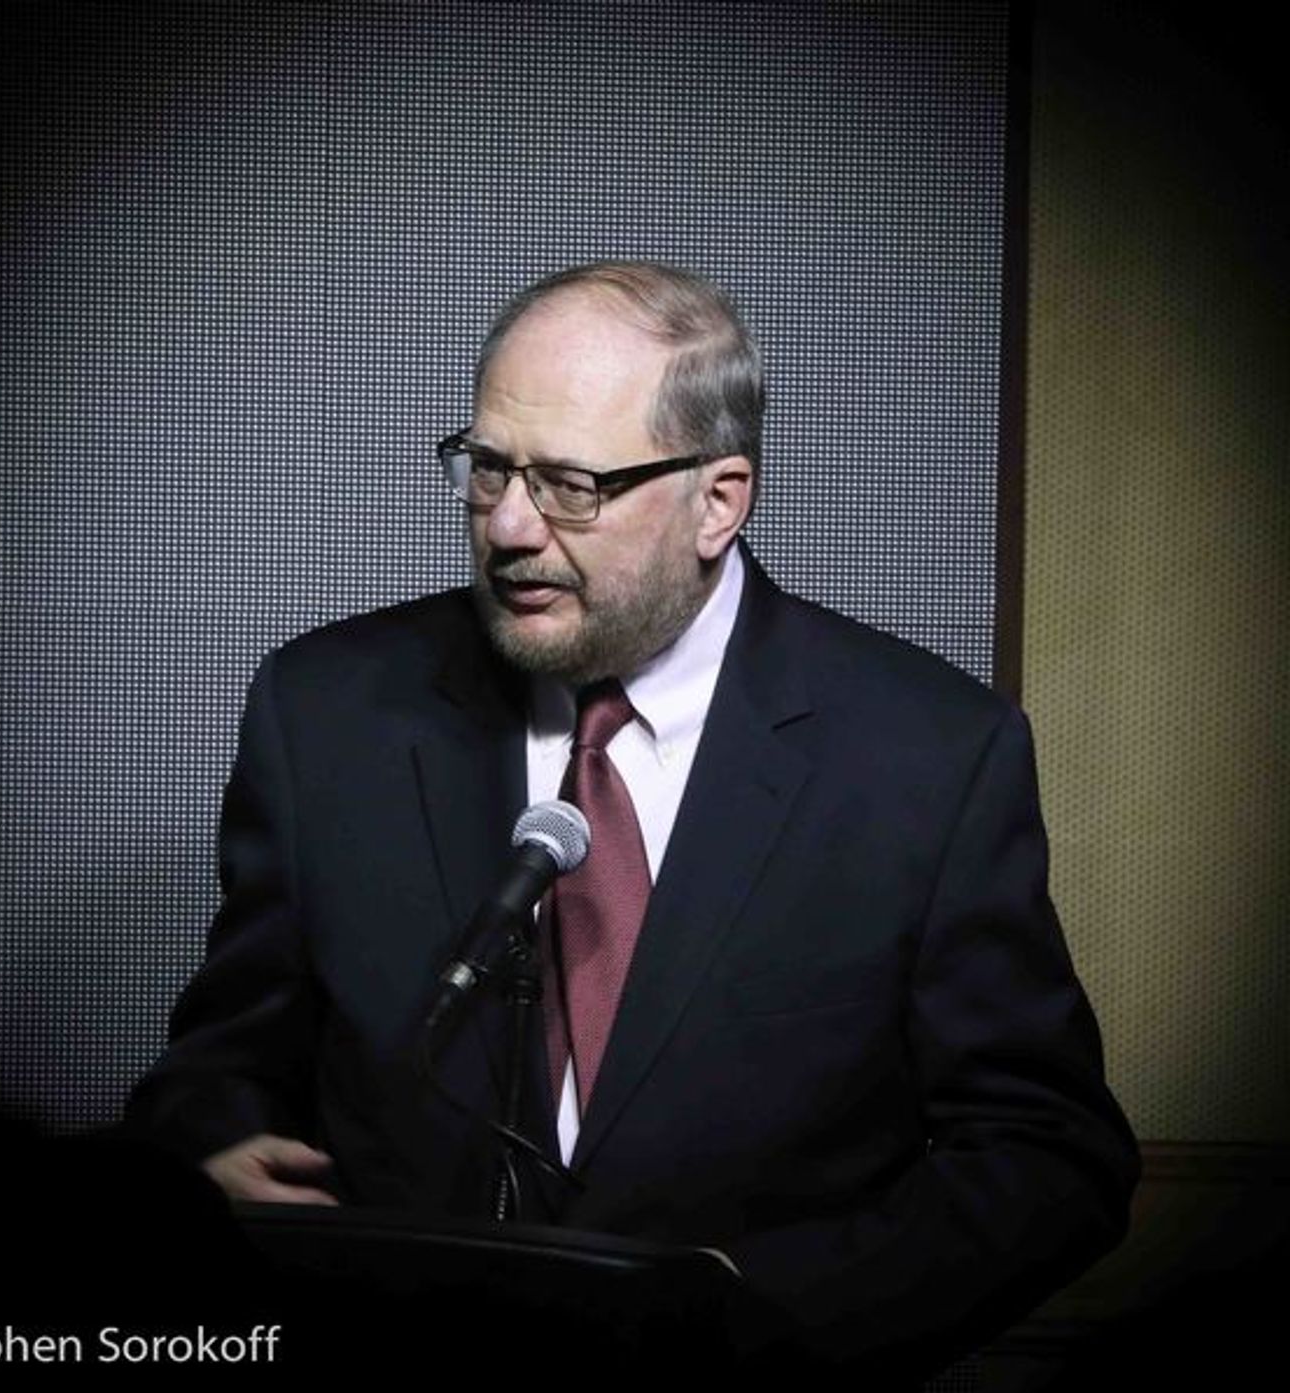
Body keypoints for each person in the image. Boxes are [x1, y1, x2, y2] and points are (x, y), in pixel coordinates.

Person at [125, 260, 1138, 1378]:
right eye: (487, 468)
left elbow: (1045, 1159)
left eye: (569, 484)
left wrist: (749, 1319)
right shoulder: (323, 712)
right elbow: (221, 1064)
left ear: (718, 500)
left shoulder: (930, 754)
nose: (509, 524)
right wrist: (202, 1150)